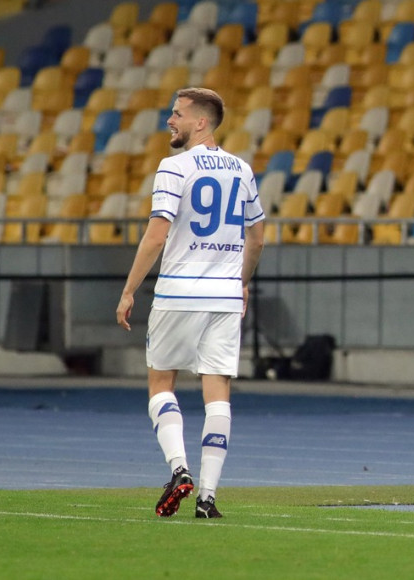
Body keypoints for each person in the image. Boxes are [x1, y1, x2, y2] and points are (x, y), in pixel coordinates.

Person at [116, 87, 266, 519]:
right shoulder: (242, 170)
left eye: (177, 114)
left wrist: (129, 290)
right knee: (217, 392)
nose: (170, 120)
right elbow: (256, 236)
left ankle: (180, 469)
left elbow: (157, 234)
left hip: (178, 291)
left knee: (161, 383)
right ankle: (208, 497)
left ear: (201, 122)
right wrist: (241, 281)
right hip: (223, 296)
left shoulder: (173, 167)